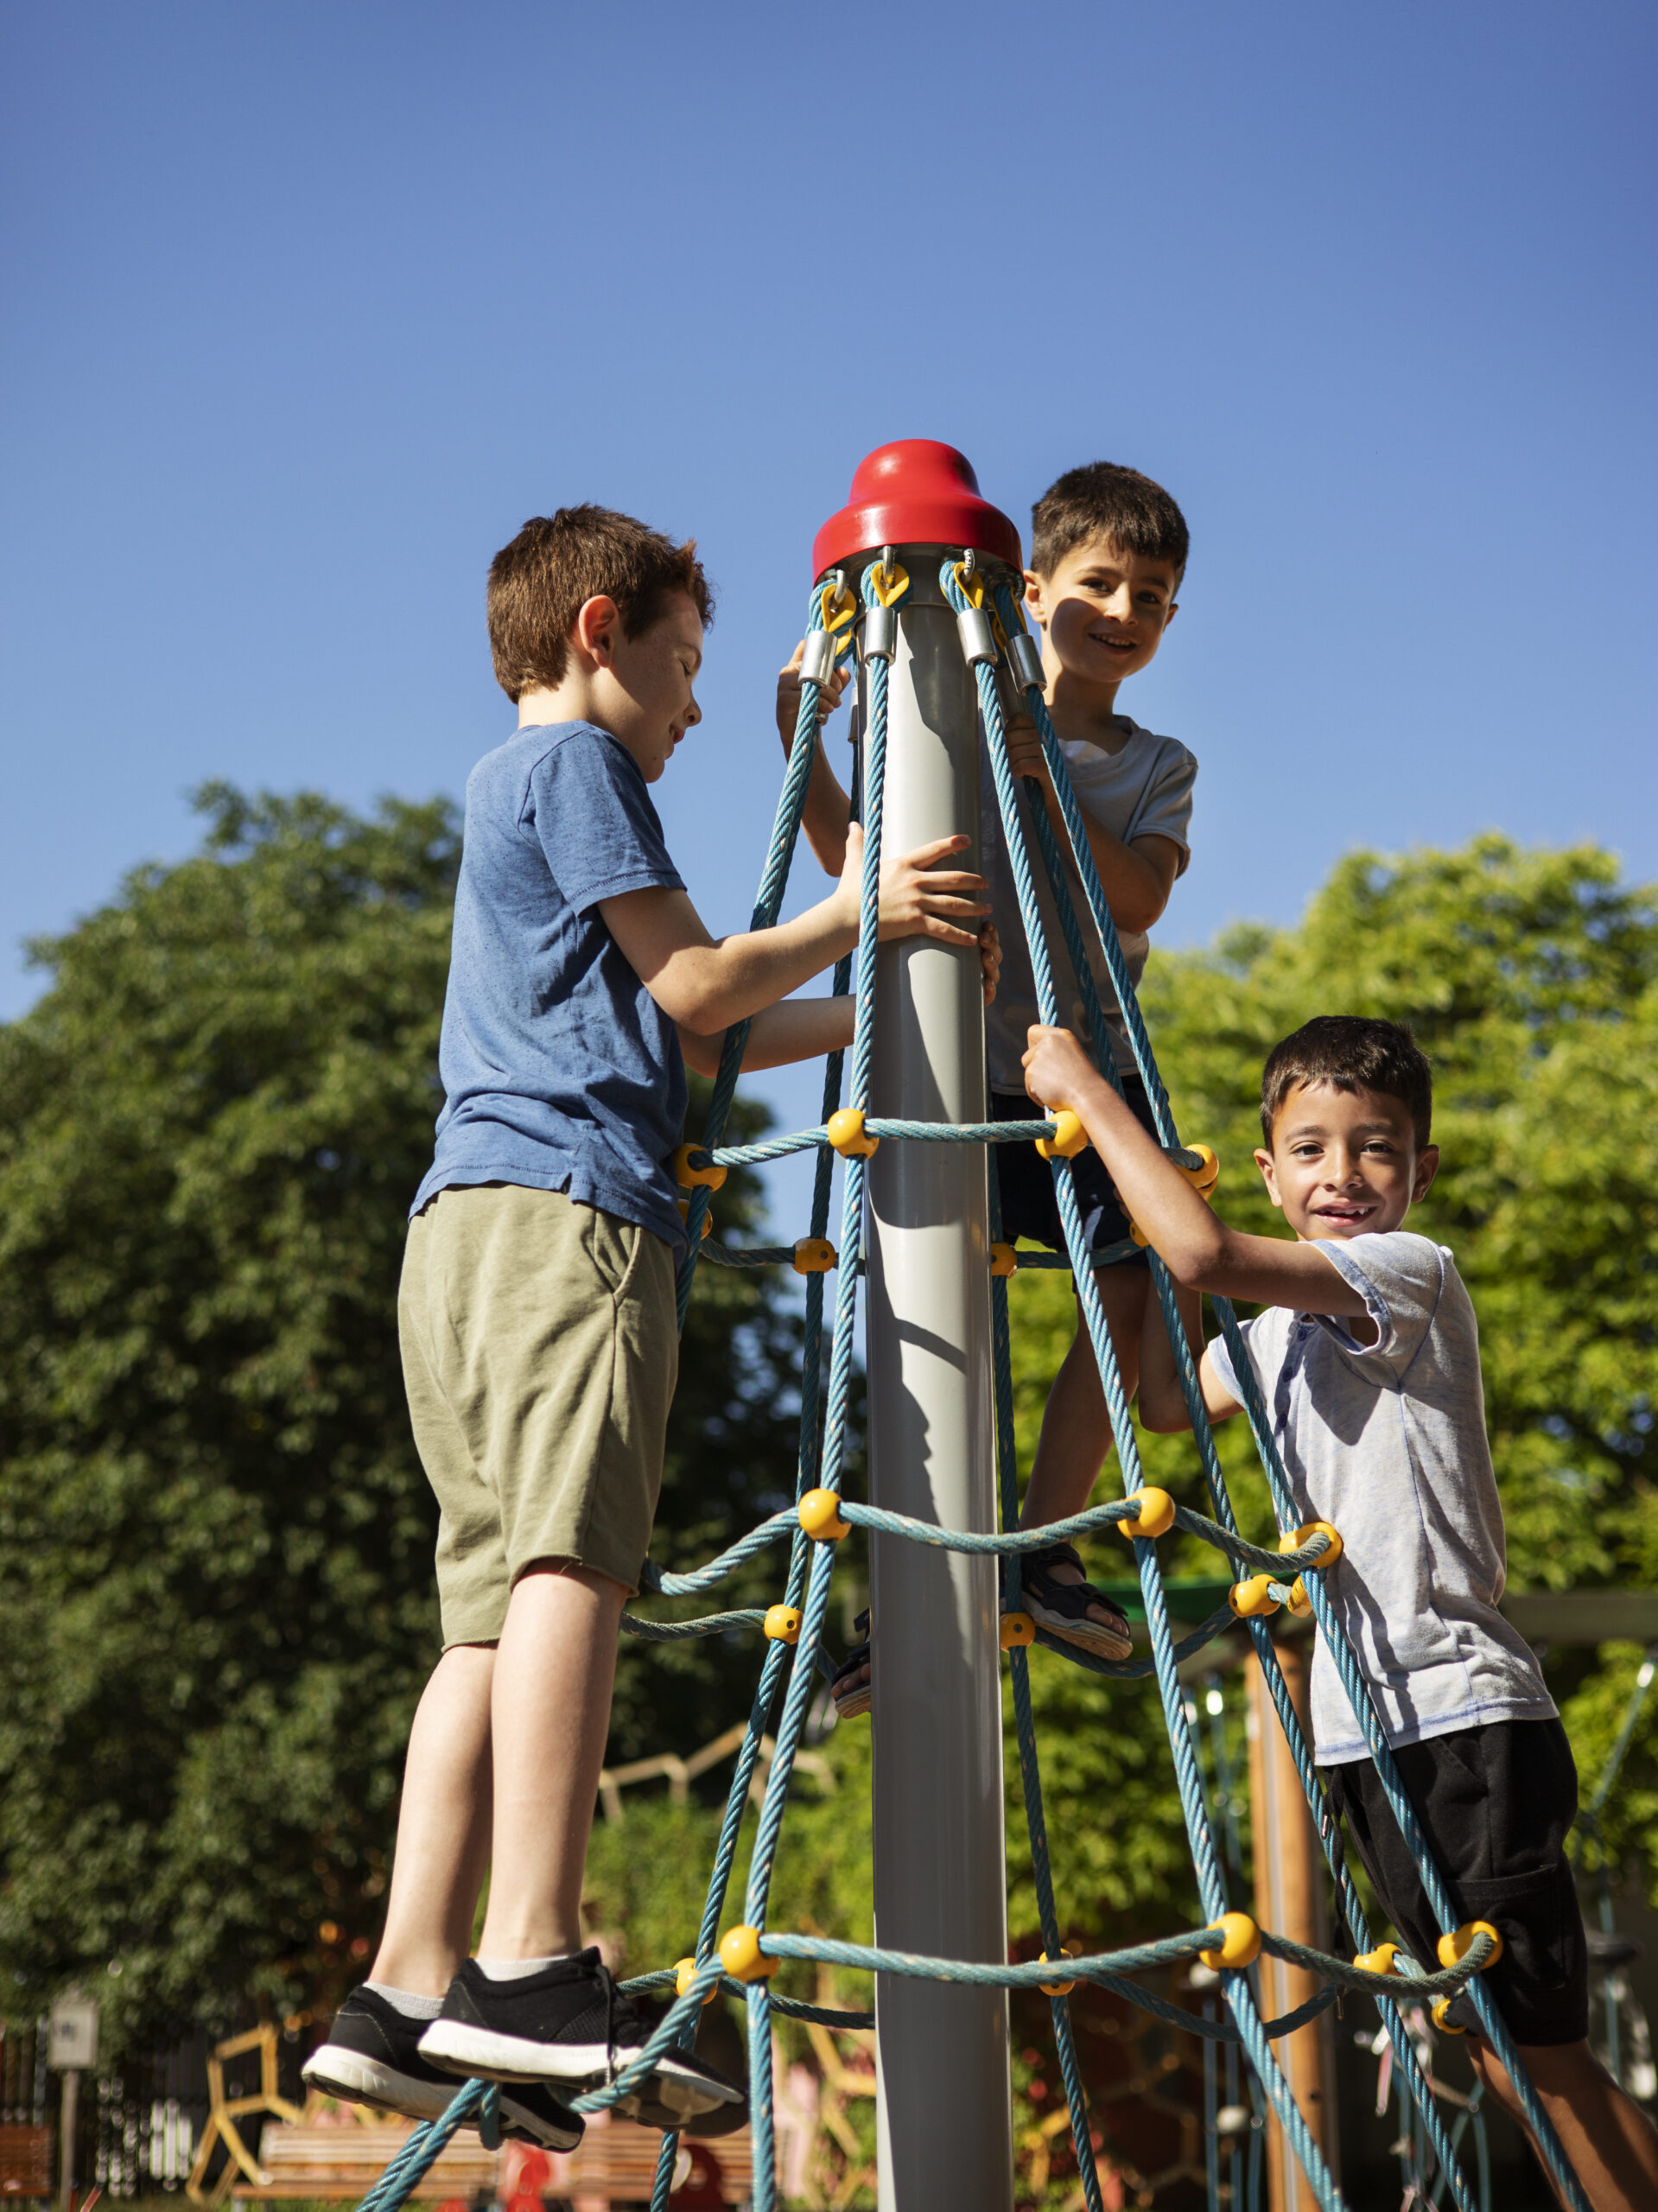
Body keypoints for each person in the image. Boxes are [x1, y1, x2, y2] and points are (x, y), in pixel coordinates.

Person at [304, 506, 999, 2146]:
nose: (692, 708)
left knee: (481, 1612)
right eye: (683, 668)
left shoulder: (503, 793)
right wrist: (865, 914)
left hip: (460, 1237)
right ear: (600, 631)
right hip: (569, 1220)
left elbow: (706, 1038)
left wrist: (886, 982)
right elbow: (699, 994)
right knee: (572, 1564)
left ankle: (404, 1985)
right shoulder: (574, 771)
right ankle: (529, 1955)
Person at [1021, 1012, 1658, 2212]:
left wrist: (1089, 1102)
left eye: (1376, 1149)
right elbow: (1162, 1399)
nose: (1343, 1177)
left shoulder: (1408, 1278)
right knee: (1500, 2051)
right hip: (1368, 1735)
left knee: (1540, 2057)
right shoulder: (1275, 1338)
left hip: (1462, 1716)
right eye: (1310, 1149)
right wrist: (1122, 1247)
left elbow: (1205, 1252)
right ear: (1271, 1167)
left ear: (1419, 1173)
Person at [782, 461, 1196, 1703]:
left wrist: (1042, 770)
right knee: (912, 1311)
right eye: (1100, 582)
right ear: (1031, 588)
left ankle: (1047, 1546)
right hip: (940, 1066)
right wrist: (798, 724)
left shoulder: (1153, 762)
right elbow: (855, 853)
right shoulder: (958, 708)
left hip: (1079, 1069)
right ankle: (892, 1598)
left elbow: (1139, 896)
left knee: (1133, 1290)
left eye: (1154, 596)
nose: (1124, 610)